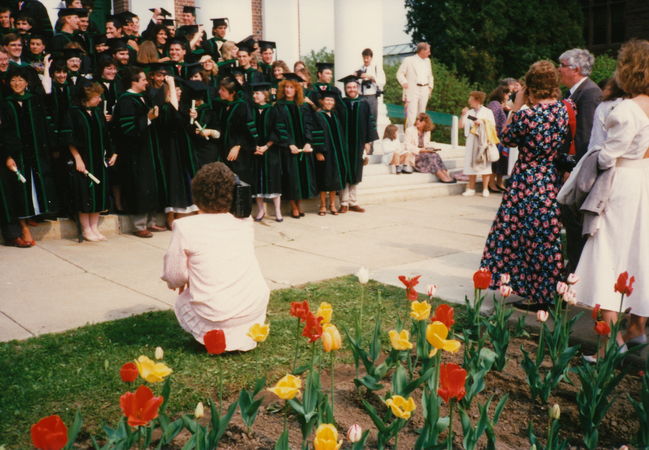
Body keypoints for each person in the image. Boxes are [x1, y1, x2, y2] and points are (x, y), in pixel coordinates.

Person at [573, 40, 649, 358]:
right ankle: (637, 329)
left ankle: (609, 344)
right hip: (644, 178)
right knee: (638, 251)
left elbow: (608, 156)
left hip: (622, 183)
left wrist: (593, 158)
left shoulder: (627, 109)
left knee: (607, 254)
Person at [480, 60, 571, 311]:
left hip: (526, 179)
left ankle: (534, 292)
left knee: (518, 234)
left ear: (530, 85)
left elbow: (506, 140)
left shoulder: (526, 115)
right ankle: (548, 290)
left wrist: (518, 106)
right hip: (548, 178)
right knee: (545, 235)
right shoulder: (562, 110)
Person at [162, 162, 270, 352]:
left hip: (216, 314)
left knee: (183, 298)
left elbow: (174, 275)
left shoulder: (185, 227)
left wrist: (185, 281)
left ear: (195, 193)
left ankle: (212, 335)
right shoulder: (245, 222)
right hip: (253, 308)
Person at [1, 65, 58, 245]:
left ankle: (31, 217)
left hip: (35, 156)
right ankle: (23, 229)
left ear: (27, 82)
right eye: (13, 80)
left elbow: (43, 128)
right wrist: (7, 156)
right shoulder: (4, 103)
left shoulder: (34, 101)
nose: (16, 83)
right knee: (16, 191)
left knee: (32, 188)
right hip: (14, 156)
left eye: (20, 80)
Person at [558, 48, 602, 274]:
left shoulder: (590, 94)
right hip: (568, 169)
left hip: (576, 173)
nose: (559, 69)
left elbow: (585, 136)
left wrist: (571, 169)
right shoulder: (572, 93)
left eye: (562, 65)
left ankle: (574, 275)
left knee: (575, 226)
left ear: (575, 69)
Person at [111, 66, 165, 238]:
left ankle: (151, 222)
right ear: (134, 82)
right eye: (143, 80)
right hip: (134, 151)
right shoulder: (126, 100)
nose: (146, 82)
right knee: (140, 186)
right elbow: (127, 129)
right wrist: (148, 118)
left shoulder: (142, 97)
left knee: (150, 184)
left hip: (147, 148)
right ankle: (139, 225)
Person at [68, 81, 116, 241]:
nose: (100, 99)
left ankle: (94, 227)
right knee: (85, 194)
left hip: (98, 159)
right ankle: (86, 228)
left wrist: (112, 153)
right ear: (87, 97)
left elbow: (106, 135)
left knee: (98, 193)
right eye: (97, 96)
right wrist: (77, 159)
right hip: (83, 160)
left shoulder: (97, 113)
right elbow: (69, 139)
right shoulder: (74, 113)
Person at [275, 73, 317, 218]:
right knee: (291, 177)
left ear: (297, 89)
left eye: (291, 87)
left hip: (302, 147)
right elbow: (280, 127)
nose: (288, 90)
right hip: (289, 148)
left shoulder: (303, 106)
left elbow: (308, 125)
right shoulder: (279, 106)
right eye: (286, 87)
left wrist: (307, 141)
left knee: (301, 177)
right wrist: (289, 144)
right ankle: (294, 206)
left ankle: (299, 205)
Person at [338, 74, 378, 213]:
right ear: (345, 88)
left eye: (354, 87)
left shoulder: (364, 103)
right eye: (349, 87)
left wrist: (368, 142)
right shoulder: (340, 104)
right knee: (345, 171)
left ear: (358, 88)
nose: (352, 89)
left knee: (356, 171)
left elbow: (369, 123)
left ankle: (353, 202)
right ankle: (343, 202)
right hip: (343, 144)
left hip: (358, 144)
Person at [250, 82, 283, 222]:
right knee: (257, 181)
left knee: (273, 180)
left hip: (271, 151)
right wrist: (255, 147)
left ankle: (277, 211)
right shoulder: (251, 110)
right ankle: (261, 210)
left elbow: (278, 130)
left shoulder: (273, 110)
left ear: (265, 95)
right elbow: (248, 129)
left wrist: (266, 146)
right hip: (255, 151)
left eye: (257, 93)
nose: (254, 95)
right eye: (254, 93)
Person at [312, 89, 348, 215]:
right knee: (324, 179)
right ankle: (322, 206)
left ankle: (332, 205)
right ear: (322, 101)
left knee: (334, 180)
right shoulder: (318, 115)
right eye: (327, 100)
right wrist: (318, 152)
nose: (329, 102)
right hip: (325, 153)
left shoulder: (335, 116)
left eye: (331, 100)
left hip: (336, 153)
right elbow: (315, 134)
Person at [459, 91, 495, 197]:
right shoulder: (469, 112)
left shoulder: (488, 112)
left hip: (483, 140)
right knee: (470, 162)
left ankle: (485, 189)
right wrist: (463, 115)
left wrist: (482, 122)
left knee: (485, 163)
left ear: (477, 100)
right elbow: (461, 125)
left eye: (471, 99)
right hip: (471, 139)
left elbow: (492, 125)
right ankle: (471, 188)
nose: (469, 101)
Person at [405, 112, 455, 183]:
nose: (417, 121)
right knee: (430, 157)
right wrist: (421, 150)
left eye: (420, 120)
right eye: (417, 119)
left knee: (435, 155)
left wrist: (430, 149)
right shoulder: (410, 130)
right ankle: (441, 175)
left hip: (424, 153)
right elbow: (407, 146)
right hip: (415, 155)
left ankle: (446, 174)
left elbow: (427, 144)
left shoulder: (427, 131)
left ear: (425, 122)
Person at [396, 42, 434, 128]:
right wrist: (404, 82)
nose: (430, 53)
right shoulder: (408, 60)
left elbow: (430, 76)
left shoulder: (428, 61)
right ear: (422, 51)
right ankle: (410, 136)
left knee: (422, 115)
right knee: (411, 114)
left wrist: (430, 88)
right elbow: (399, 74)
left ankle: (419, 136)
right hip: (413, 89)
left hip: (424, 89)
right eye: (428, 51)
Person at [485, 85, 510, 192]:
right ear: (503, 94)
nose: (509, 97)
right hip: (496, 137)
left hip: (501, 137)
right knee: (495, 161)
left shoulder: (499, 105)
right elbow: (492, 119)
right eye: (508, 94)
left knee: (501, 161)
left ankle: (498, 182)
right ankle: (491, 183)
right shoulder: (494, 104)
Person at [357, 48, 385, 124]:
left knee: (372, 120)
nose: (365, 60)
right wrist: (357, 77)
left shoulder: (376, 68)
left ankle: (372, 135)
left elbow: (382, 81)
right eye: (364, 58)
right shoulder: (360, 68)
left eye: (367, 58)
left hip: (372, 96)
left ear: (371, 58)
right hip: (361, 96)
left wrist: (371, 78)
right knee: (361, 119)